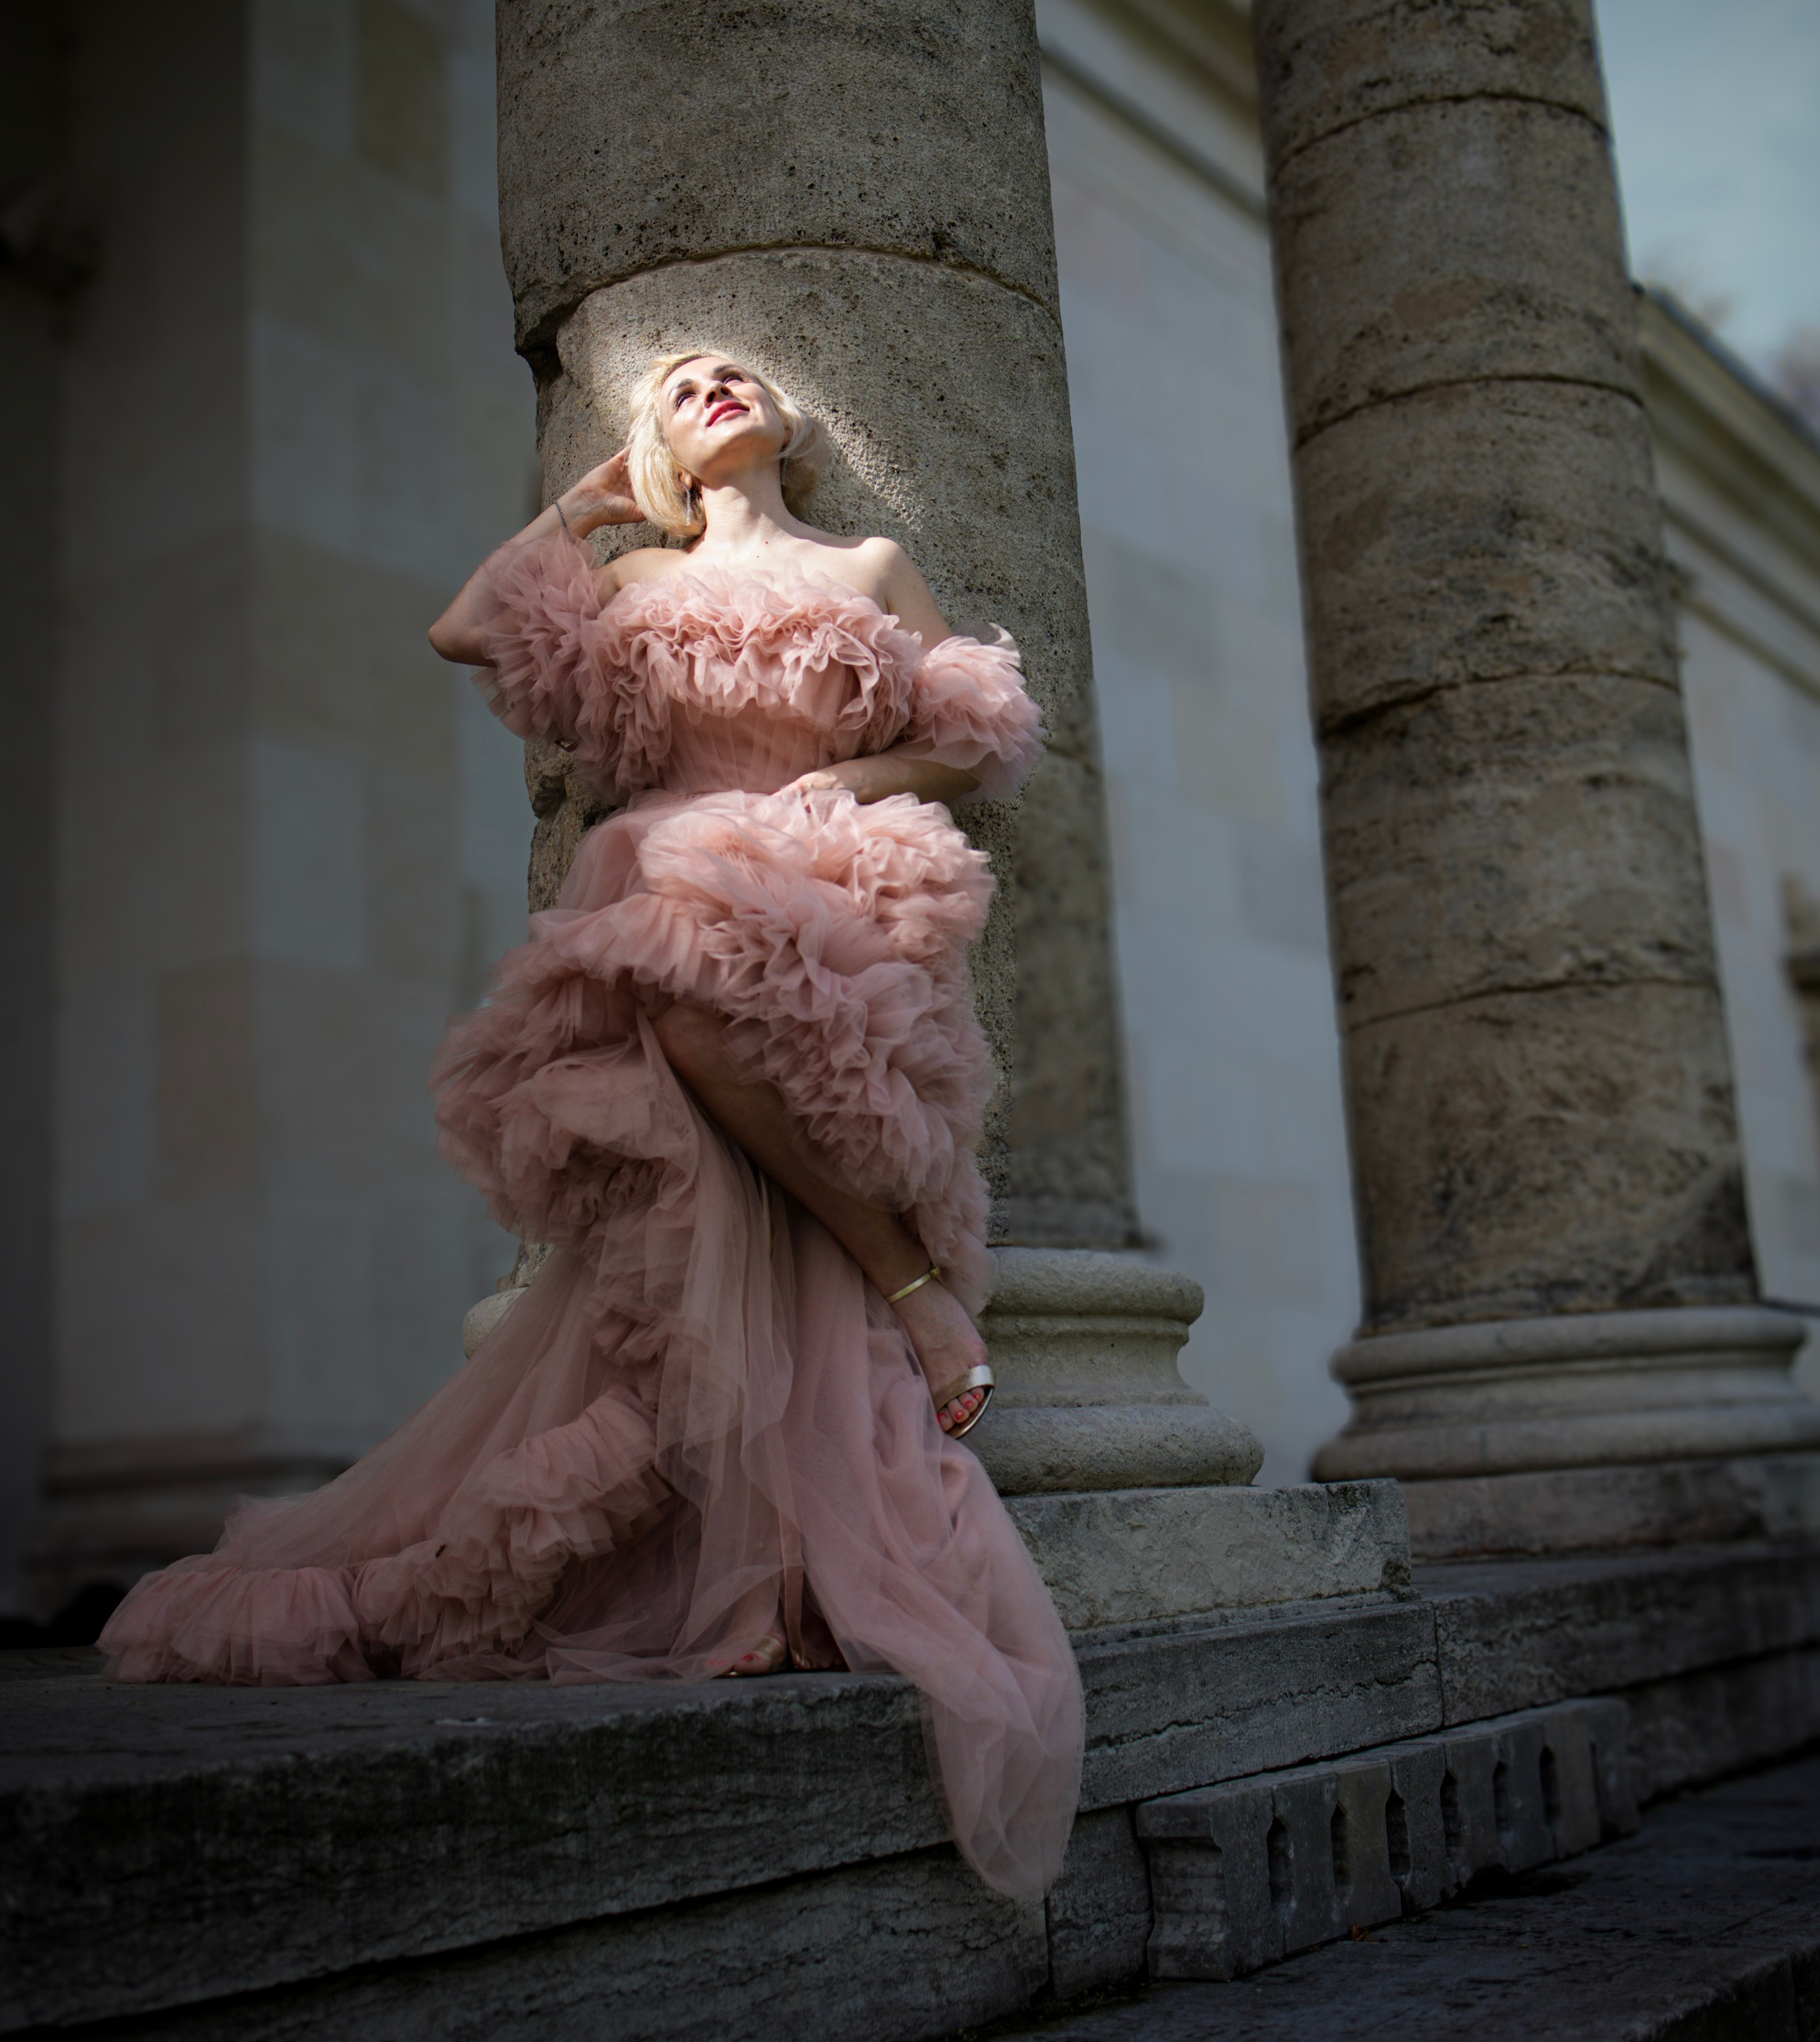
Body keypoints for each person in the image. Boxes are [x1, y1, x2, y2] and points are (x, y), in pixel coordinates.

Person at [100, 352, 1085, 1902]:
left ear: (789, 424)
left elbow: (976, 733)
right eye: (680, 383)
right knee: (681, 1170)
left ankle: (800, 1528)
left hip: (822, 896)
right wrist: (585, 499)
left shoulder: (865, 563)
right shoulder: (632, 579)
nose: (713, 385)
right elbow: (463, 629)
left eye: (738, 372)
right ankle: (898, 1322)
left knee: (756, 1213)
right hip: (664, 883)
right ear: (660, 448)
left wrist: (834, 783)